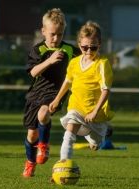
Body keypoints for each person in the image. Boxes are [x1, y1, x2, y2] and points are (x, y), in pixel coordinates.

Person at [22, 8, 80, 178]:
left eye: (60, 34)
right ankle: (30, 162)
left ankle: (44, 145)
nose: (56, 38)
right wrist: (50, 60)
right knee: (31, 134)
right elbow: (33, 72)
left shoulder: (69, 50)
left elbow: (83, 59)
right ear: (43, 31)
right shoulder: (38, 50)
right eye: (53, 34)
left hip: (56, 92)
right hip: (35, 94)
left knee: (44, 113)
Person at [49, 21, 114, 161]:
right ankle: (63, 165)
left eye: (93, 47)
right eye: (85, 48)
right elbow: (67, 82)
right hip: (76, 107)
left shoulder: (102, 64)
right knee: (69, 132)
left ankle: (97, 137)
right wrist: (56, 99)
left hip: (96, 114)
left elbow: (105, 90)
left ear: (100, 44)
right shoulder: (74, 63)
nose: (89, 51)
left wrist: (95, 111)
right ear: (79, 45)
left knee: (95, 143)